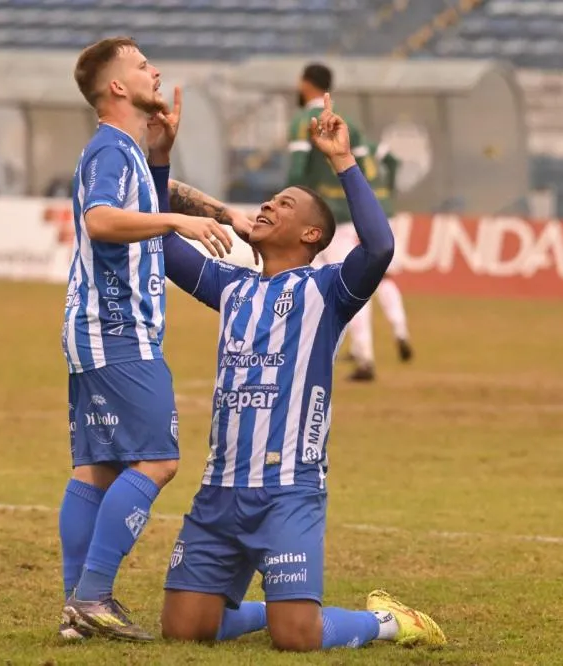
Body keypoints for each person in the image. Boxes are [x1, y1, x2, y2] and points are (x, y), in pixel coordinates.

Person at [156, 94, 447, 652]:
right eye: (269, 200)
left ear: (312, 235)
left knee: (298, 639)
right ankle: (267, 610)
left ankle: (388, 621)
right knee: (184, 630)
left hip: (288, 490)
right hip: (219, 489)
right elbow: (161, 239)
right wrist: (162, 155)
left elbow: (380, 246)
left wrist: (342, 161)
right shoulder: (231, 287)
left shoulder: (327, 291)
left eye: (284, 204)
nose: (268, 205)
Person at [58, 36, 235, 642]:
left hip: (98, 330)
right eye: (139, 65)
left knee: (99, 468)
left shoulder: (127, 149)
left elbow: (141, 203)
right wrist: (179, 219)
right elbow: (101, 220)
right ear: (115, 86)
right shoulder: (109, 148)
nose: (154, 71)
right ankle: (93, 595)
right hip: (116, 331)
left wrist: (161, 158)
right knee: (158, 461)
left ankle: (77, 609)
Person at [288, 63, 413, 382]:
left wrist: (289, 203)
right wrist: (381, 196)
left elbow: (297, 170)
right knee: (366, 280)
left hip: (323, 215)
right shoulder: (348, 123)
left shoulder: (304, 121)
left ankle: (362, 355)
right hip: (355, 212)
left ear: (306, 84)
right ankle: (365, 345)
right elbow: (379, 164)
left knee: (330, 284)